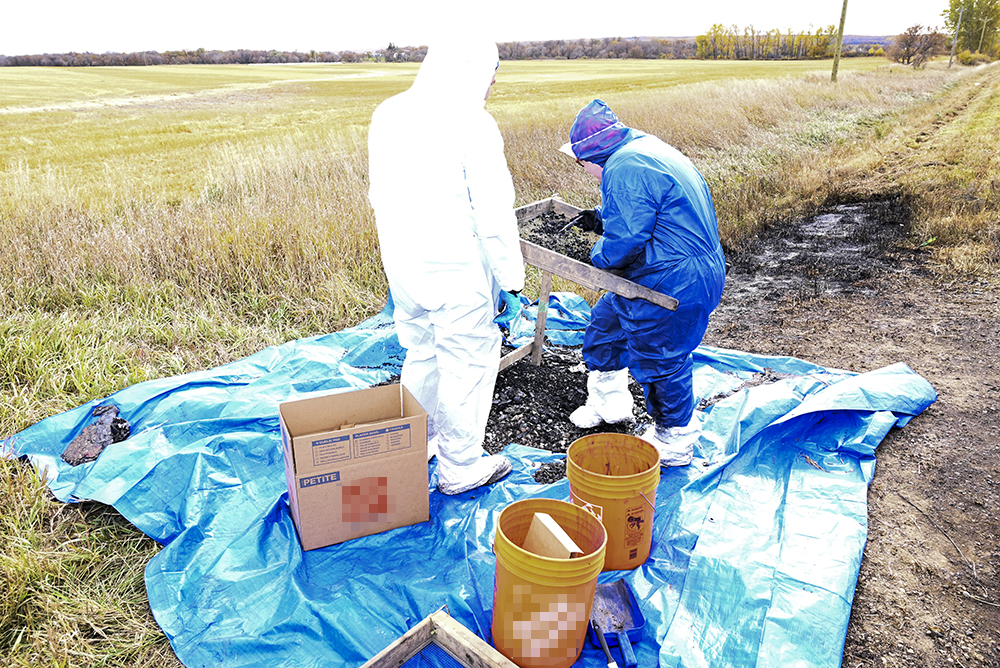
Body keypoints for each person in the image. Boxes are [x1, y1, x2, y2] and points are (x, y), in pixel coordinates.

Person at [367, 35, 524, 495]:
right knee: (467, 363)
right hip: (455, 271)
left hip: (404, 267)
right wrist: (512, 282)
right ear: (474, 69)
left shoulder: (388, 112)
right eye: (492, 75)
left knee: (422, 352)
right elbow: (494, 214)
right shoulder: (472, 122)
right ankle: (460, 466)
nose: (493, 85)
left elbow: (379, 196)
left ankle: (417, 441)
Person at [560, 99, 726, 466]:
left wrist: (596, 255)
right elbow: (652, 207)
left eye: (580, 165)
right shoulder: (643, 149)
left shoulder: (623, 166)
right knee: (606, 326)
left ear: (589, 158)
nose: (583, 171)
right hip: (678, 266)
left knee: (661, 357)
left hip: (672, 279)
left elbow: (625, 243)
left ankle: (674, 439)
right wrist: (602, 218)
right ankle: (610, 402)